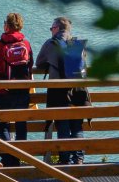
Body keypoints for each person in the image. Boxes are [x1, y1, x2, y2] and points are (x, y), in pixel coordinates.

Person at [37, 16, 89, 165]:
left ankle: (64, 159)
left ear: (57, 28)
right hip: (79, 90)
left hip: (59, 91)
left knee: (63, 124)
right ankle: (78, 158)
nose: (50, 31)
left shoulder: (51, 43)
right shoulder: (77, 44)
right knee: (77, 125)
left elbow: (39, 63)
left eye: (51, 28)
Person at [0, 13, 35, 167]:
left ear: (6, 26)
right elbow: (30, 65)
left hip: (4, 91)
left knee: (4, 124)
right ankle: (19, 157)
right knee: (21, 125)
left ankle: (8, 158)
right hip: (22, 91)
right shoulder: (26, 44)